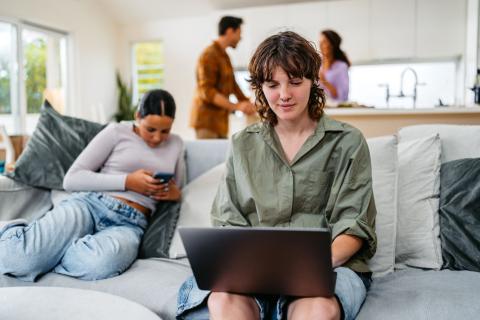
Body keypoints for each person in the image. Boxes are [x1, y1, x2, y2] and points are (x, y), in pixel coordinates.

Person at [177, 31, 377, 320]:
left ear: (313, 80)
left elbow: (354, 225)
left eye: (295, 82)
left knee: (318, 309)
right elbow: (227, 220)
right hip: (252, 271)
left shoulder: (348, 142)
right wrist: (255, 270)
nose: (284, 95)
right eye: (273, 84)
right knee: (222, 302)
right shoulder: (243, 144)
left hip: (329, 267)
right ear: (260, 87)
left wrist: (309, 269)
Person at [0, 89, 184, 282]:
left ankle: (49, 250)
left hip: (130, 224)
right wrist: (127, 181)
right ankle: (19, 238)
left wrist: (173, 194)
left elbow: (177, 189)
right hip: (91, 204)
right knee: (19, 260)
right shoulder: (116, 132)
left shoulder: (177, 144)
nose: (157, 138)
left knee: (99, 265)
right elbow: (72, 179)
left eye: (165, 131)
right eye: (151, 129)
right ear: (138, 116)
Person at [190, 15, 255, 139]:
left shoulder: (224, 56)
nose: (240, 38)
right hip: (206, 122)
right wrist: (236, 106)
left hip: (221, 122)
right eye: (239, 33)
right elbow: (207, 91)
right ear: (230, 31)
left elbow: (233, 85)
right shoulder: (209, 55)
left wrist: (249, 104)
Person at [319, 29, 351, 103]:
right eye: (320, 42)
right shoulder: (317, 65)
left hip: (335, 109)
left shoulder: (341, 67)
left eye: (324, 42)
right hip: (317, 108)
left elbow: (342, 96)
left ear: (332, 45)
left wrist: (325, 81)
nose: (320, 45)